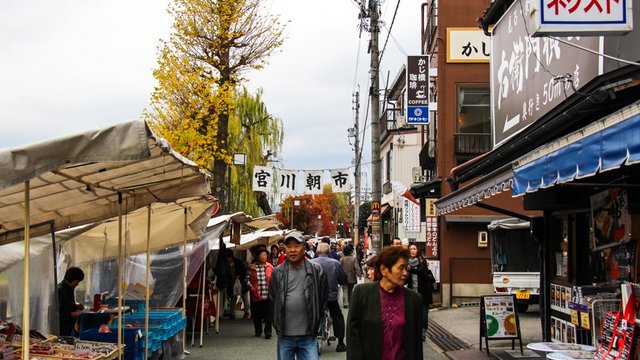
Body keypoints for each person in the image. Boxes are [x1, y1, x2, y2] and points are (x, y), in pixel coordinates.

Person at [346, 246, 423, 360]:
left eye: (406, 268)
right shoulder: (362, 293)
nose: (405, 273)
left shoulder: (414, 299)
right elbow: (353, 337)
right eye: (401, 268)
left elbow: (416, 343)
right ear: (384, 270)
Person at [269, 232, 328, 360]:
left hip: (308, 334)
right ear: (284, 249)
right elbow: (273, 299)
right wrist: (276, 323)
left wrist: (316, 319)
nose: (293, 250)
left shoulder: (316, 270)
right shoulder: (277, 272)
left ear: (304, 248)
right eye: (289, 246)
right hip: (285, 335)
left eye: (297, 245)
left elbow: (323, 298)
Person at [311, 242, 348, 352]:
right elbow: (342, 278)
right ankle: (340, 343)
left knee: (312, 316)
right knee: (338, 317)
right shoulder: (335, 263)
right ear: (329, 252)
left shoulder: (310, 263)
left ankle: (310, 340)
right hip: (331, 297)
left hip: (315, 297)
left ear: (317, 252)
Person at [407, 243, 436, 341]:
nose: (412, 251)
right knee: (413, 314)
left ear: (417, 250)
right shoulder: (406, 262)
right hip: (412, 292)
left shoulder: (422, 261)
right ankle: (414, 332)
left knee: (423, 314)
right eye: (410, 249)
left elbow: (421, 273)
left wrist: (410, 270)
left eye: (414, 249)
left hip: (424, 293)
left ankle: (423, 332)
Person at [248, 245, 274, 339]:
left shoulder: (270, 267)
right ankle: (258, 331)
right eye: (262, 255)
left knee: (268, 315)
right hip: (256, 294)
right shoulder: (253, 268)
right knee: (257, 315)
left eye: (265, 255)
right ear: (258, 257)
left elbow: (274, 279)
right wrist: (251, 288)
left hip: (268, 294)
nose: (264, 256)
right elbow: (247, 279)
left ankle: (268, 332)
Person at [58, 267, 85, 336]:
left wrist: (76, 306)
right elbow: (59, 313)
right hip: (62, 328)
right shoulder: (60, 290)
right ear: (73, 279)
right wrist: (77, 314)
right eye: (77, 281)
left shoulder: (69, 288)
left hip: (69, 326)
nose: (77, 284)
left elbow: (66, 305)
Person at [225, 250, 250, 320]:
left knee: (244, 298)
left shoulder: (238, 263)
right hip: (233, 283)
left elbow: (244, 272)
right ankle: (232, 313)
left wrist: (239, 276)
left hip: (241, 282)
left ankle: (246, 313)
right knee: (234, 298)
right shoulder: (227, 264)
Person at [339, 244, 361, 309]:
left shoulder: (341, 259)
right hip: (352, 276)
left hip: (343, 277)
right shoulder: (353, 259)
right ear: (350, 252)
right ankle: (350, 302)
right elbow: (357, 267)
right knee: (350, 290)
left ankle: (345, 303)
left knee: (345, 290)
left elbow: (339, 268)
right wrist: (359, 274)